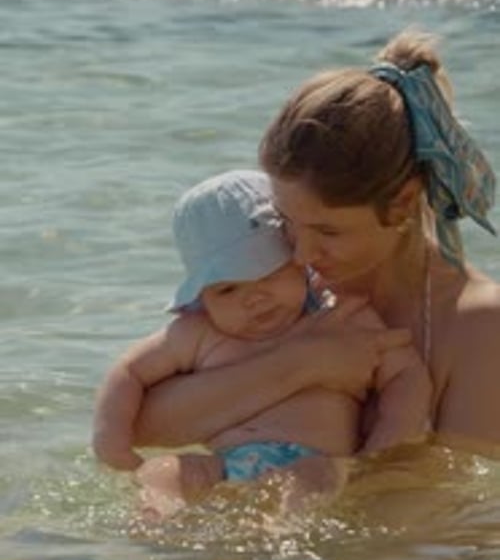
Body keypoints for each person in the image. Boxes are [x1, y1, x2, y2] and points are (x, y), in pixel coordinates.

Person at [130, 31, 500, 460]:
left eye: (328, 232)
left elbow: (462, 512)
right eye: (286, 222)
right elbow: (142, 425)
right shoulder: (280, 285)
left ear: (401, 202)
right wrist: (305, 362)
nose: (302, 254)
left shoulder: (479, 326)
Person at [93, 170, 430, 514]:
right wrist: (112, 444)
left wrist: (384, 450)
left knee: (311, 478)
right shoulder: (199, 333)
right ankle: (155, 532)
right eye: (227, 289)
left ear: (300, 263)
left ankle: (280, 540)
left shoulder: (341, 319)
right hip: (225, 468)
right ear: (203, 297)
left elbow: (406, 376)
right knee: (162, 472)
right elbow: (128, 371)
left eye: (268, 274)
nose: (254, 298)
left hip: (312, 459)